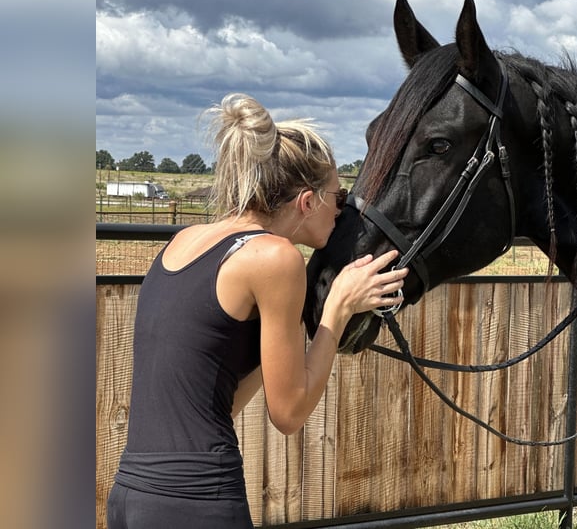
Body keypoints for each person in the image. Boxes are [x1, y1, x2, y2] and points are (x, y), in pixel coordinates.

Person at [106, 93, 408, 528]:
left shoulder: (184, 242)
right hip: (198, 501)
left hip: (132, 496)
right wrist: (337, 310)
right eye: (338, 198)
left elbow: (210, 396)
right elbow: (289, 415)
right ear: (307, 202)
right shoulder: (275, 258)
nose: (342, 212)